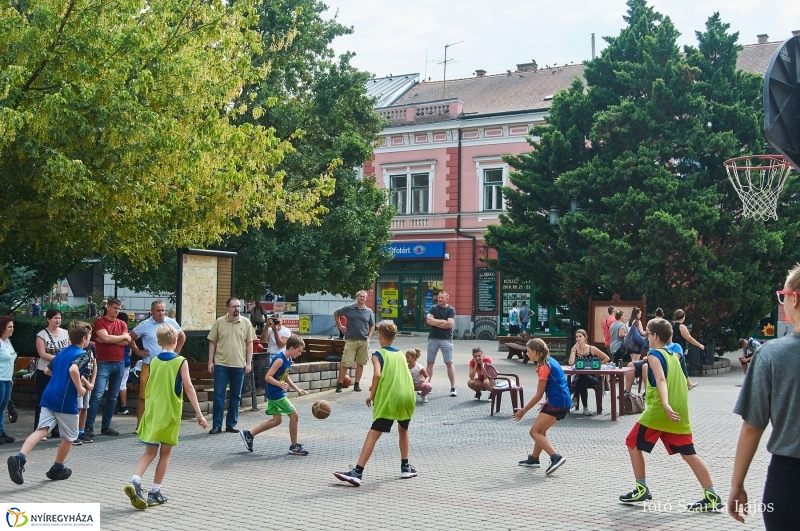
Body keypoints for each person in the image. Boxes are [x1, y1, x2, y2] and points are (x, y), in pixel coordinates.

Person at [619, 318, 722, 512]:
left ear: (655, 336)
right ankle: (712, 495)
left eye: (647, 334)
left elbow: (661, 380)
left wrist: (665, 403)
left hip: (660, 412)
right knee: (689, 453)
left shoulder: (654, 355)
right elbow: (681, 381)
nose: (646, 337)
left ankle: (641, 488)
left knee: (632, 442)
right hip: (679, 413)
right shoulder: (674, 355)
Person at [729, 273, 800, 528]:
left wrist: (737, 484)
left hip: (790, 479)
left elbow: (752, 426)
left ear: (794, 299)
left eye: (782, 297)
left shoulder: (772, 355)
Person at [124, 324, 208, 509]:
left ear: (158, 341)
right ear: (174, 340)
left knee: (149, 452)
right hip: (169, 412)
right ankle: (155, 491)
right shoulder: (180, 361)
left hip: (153, 410)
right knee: (165, 453)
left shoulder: (153, 361)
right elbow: (188, 387)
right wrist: (199, 414)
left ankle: (135, 481)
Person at [7, 321, 93, 484]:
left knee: (42, 430)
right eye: (89, 337)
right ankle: (57, 468)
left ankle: (19, 458)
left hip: (49, 395)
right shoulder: (83, 354)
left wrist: (82, 381)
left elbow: (48, 370)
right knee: (70, 436)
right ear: (84, 338)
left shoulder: (61, 353)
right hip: (65, 400)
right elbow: (73, 369)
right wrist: (80, 388)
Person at [334, 321, 416, 486]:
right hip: (407, 396)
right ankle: (405, 467)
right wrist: (376, 385)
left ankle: (357, 472)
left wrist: (371, 395)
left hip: (391, 399)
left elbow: (378, 374)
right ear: (394, 337)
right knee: (403, 429)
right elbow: (397, 375)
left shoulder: (378, 354)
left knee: (373, 434)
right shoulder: (401, 354)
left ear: (380, 337)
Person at [239, 335, 309, 455]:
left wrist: (297, 389)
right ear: (291, 348)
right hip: (275, 393)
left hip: (276, 392)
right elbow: (267, 377)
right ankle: (294, 446)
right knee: (294, 416)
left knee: (277, 420)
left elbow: (285, 376)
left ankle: (249, 434)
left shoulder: (288, 359)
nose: (300, 353)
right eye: (299, 351)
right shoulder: (280, 359)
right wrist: (279, 384)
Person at [513, 338, 570, 475]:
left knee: (534, 432)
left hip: (557, 402)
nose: (526, 354)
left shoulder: (544, 367)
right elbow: (557, 382)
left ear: (535, 352)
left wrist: (524, 410)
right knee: (541, 431)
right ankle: (534, 459)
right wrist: (549, 399)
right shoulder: (550, 361)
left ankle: (556, 457)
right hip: (561, 400)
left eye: (527, 351)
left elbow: (538, 394)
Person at [130, 300, 185, 426]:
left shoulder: (171, 322)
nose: (161, 313)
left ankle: (162, 423)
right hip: (149, 364)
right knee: (143, 396)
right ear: (152, 311)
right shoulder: (145, 324)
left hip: (168, 365)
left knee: (165, 394)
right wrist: (138, 351)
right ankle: (140, 425)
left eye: (163, 310)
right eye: (158, 310)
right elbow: (130, 337)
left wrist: (176, 353)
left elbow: (182, 336)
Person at [207, 297, 256, 434]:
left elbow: (250, 343)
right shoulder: (219, 322)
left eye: (239, 307)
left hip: (239, 365)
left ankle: (231, 424)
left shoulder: (246, 323)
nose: (237, 309)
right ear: (227, 308)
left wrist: (248, 363)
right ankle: (217, 425)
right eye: (234, 306)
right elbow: (212, 342)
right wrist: (211, 361)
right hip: (222, 364)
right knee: (218, 395)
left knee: (236, 396)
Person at [85, 298, 130, 438]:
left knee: (113, 397)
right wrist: (118, 339)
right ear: (108, 307)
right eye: (115, 308)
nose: (117, 311)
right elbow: (107, 339)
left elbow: (127, 339)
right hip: (103, 362)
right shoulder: (99, 321)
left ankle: (106, 426)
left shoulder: (122, 323)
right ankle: (88, 427)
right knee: (97, 395)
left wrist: (108, 339)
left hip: (119, 363)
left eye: (119, 308)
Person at [34, 308, 70, 435]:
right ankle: (39, 428)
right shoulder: (41, 335)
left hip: (60, 372)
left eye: (59, 318)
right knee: (43, 399)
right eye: (55, 318)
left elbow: (69, 349)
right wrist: (59, 359)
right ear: (48, 319)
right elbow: (42, 354)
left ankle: (56, 428)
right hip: (44, 371)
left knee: (58, 399)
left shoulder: (66, 333)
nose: (58, 320)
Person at [334, 290, 375, 393]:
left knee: (360, 363)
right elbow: (336, 313)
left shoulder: (369, 311)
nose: (362, 298)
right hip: (351, 340)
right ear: (357, 297)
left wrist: (369, 337)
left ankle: (357, 384)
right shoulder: (349, 308)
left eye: (364, 297)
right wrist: (340, 326)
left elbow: (372, 325)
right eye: (360, 296)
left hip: (363, 340)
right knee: (345, 363)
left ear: (366, 299)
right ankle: (340, 384)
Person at [567, 329, 610, 415]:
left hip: (593, 377)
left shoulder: (591, 349)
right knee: (583, 378)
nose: (578, 338)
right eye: (576, 337)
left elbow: (607, 358)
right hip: (578, 378)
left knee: (584, 376)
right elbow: (571, 363)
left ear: (585, 338)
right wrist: (572, 352)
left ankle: (575, 399)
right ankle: (585, 409)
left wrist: (598, 365)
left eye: (580, 336)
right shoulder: (575, 349)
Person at [426, 291, 457, 397]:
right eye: (439, 297)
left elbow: (450, 324)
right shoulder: (433, 308)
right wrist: (442, 321)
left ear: (447, 299)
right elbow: (428, 321)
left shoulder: (451, 310)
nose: (440, 299)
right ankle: (427, 386)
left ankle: (453, 387)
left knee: (449, 363)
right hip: (433, 339)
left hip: (446, 339)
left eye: (442, 298)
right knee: (430, 363)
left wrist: (435, 322)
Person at [672, 310, 701, 389]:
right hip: (678, 350)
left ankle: (688, 384)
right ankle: (687, 384)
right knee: (681, 367)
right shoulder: (681, 326)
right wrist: (699, 345)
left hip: (671, 349)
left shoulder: (671, 325)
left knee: (682, 367)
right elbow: (689, 338)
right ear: (682, 317)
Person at [0, 316, 17, 444]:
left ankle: (1, 432)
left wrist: (10, 377)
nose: (12, 329)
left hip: (7, 378)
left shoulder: (8, 341)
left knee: (2, 407)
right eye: (9, 327)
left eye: (12, 327)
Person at [75, 342, 97, 444]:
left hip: (89, 382)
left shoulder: (91, 347)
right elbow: (76, 370)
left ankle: (81, 431)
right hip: (80, 382)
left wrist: (92, 382)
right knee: (78, 407)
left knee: (85, 407)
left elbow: (95, 365)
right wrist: (86, 382)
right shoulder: (77, 350)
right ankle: (74, 433)